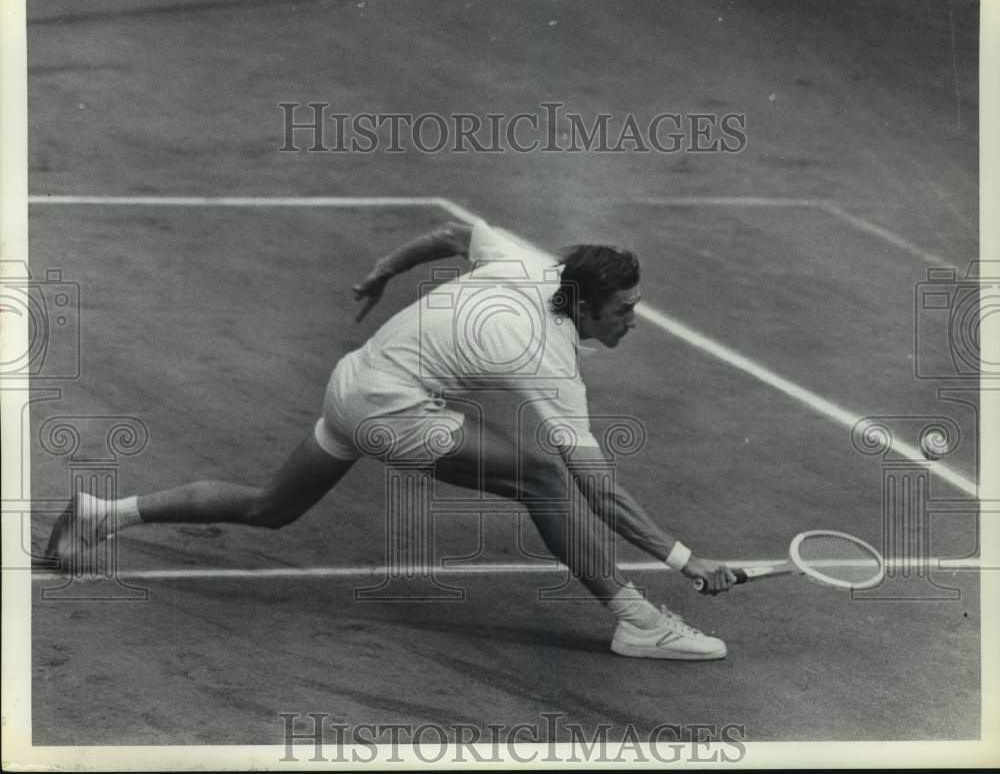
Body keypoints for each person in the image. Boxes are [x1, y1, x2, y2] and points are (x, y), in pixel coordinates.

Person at [46, 217, 737, 659]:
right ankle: (638, 619)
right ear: (583, 304)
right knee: (546, 479)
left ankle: (105, 512)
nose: (633, 320)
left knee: (271, 507)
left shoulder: (532, 269)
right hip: (393, 408)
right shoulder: (546, 357)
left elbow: (449, 232)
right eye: (623, 309)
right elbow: (600, 492)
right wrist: (686, 558)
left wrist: (381, 268)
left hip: (352, 382)